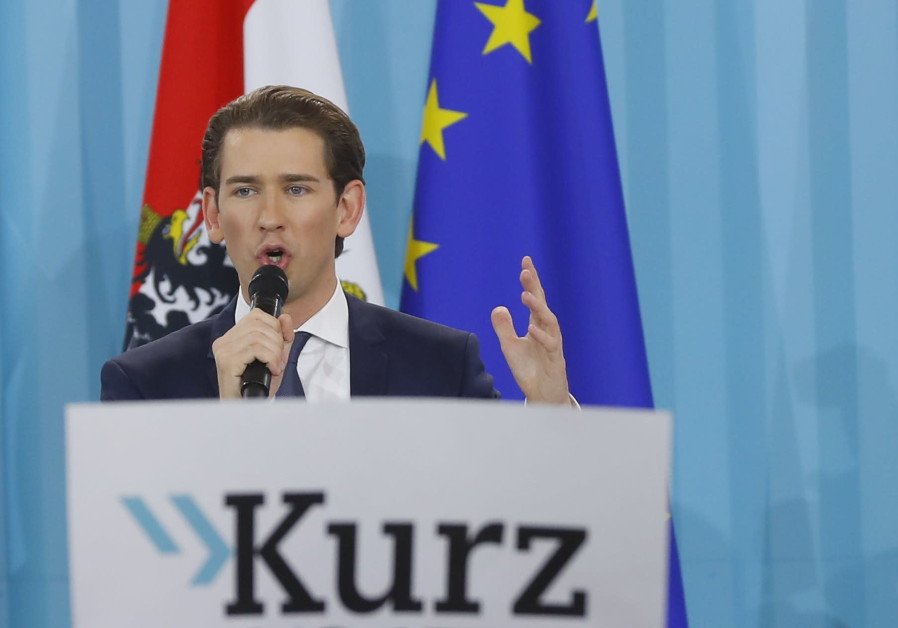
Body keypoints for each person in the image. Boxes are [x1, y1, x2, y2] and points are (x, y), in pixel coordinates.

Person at [101, 85, 570, 404]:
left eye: (296, 189)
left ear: (346, 208)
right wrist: (231, 425)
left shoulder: (441, 366)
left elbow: (501, 513)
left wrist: (550, 415)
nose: (269, 217)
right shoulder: (145, 385)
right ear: (213, 214)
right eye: (244, 191)